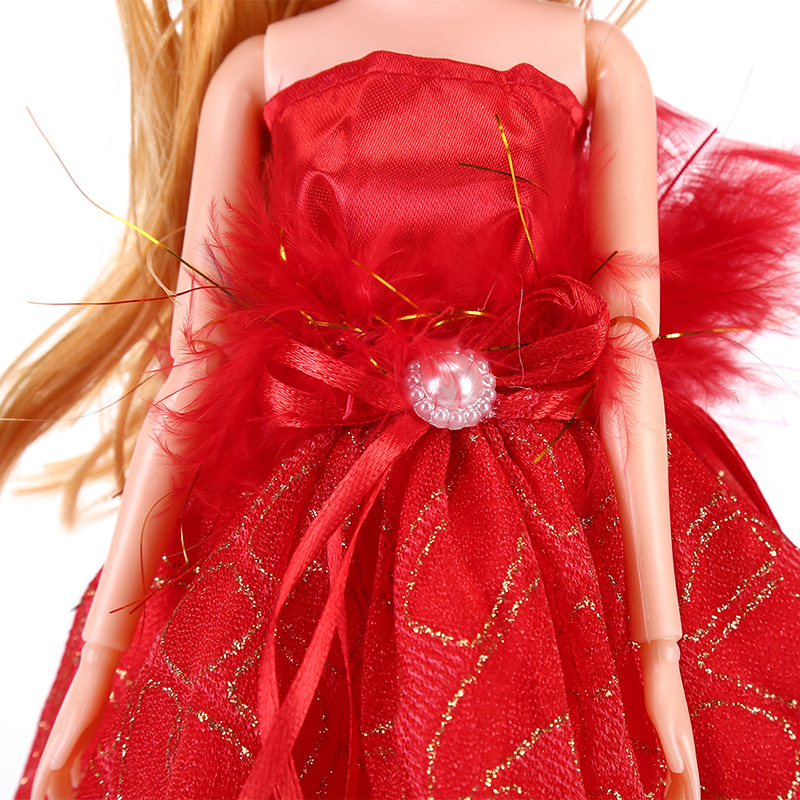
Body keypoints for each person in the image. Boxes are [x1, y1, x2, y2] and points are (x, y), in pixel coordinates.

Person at [5, 1, 799, 798]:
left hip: (552, 495)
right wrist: (102, 659)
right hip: (319, 515)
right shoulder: (259, 69)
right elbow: (197, 358)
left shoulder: (595, 56)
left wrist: (660, 646)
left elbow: (625, 342)